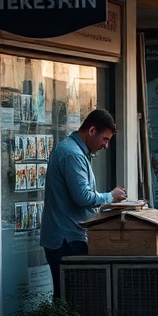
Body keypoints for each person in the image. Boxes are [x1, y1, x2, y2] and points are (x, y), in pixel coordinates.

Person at [39, 108, 126, 298]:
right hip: (67, 240)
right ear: (91, 131)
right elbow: (83, 197)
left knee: (70, 298)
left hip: (67, 238)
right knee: (72, 299)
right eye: (105, 139)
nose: (106, 146)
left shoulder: (75, 151)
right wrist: (111, 196)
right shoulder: (73, 155)